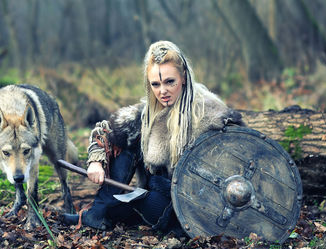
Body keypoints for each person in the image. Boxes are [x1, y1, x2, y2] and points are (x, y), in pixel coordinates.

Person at [62, 40, 244, 236]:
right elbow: (106, 129)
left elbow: (239, 154)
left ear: (183, 77)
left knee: (139, 205)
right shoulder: (150, 113)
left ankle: (105, 213)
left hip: (188, 204)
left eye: (169, 82)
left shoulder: (208, 112)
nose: (162, 91)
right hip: (154, 190)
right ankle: (97, 213)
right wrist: (96, 162)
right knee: (127, 139)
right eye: (155, 84)